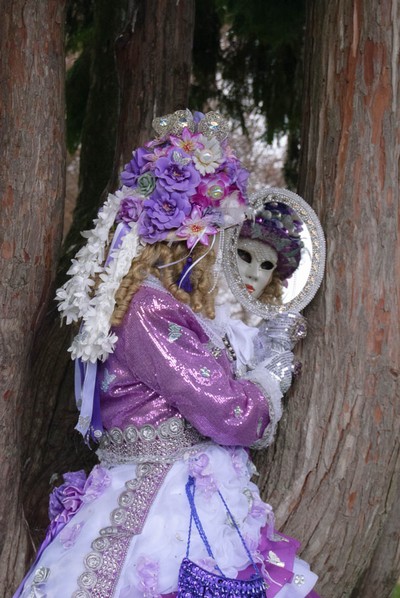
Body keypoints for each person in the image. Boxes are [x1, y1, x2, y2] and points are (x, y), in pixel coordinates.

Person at [14, 110, 319, 597]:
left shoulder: (152, 303)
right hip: (165, 500)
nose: (218, 250)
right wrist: (276, 365)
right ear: (189, 236)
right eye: (218, 236)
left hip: (160, 484)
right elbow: (230, 411)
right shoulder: (150, 307)